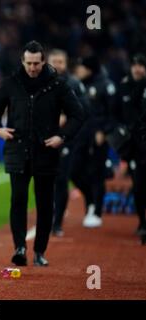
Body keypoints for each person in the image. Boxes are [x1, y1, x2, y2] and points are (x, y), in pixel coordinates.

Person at [0, 41, 84, 266]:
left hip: (46, 153)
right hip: (17, 152)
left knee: (44, 204)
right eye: (28, 63)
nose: (32, 67)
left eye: (36, 63)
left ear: (43, 62)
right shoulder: (11, 83)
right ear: (22, 61)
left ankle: (40, 251)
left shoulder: (58, 84)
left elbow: (78, 114)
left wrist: (62, 136)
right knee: (18, 201)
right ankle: (19, 247)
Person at [47, 49, 90, 237]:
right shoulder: (37, 82)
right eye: (54, 61)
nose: (57, 65)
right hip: (42, 140)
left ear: (66, 64)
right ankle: (48, 218)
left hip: (66, 140)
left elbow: (84, 110)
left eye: (60, 61)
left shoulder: (74, 83)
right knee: (43, 181)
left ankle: (56, 223)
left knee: (61, 180)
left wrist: (67, 117)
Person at [73, 56, 117, 228]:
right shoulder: (78, 85)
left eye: (81, 67)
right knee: (74, 170)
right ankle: (90, 199)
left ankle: (97, 211)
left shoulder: (106, 85)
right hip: (80, 135)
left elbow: (113, 112)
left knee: (96, 173)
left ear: (89, 69)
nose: (78, 70)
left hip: (97, 135)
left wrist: (104, 131)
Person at [115, 54, 146, 236]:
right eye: (135, 65)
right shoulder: (124, 86)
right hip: (133, 145)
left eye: (141, 65)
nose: (138, 68)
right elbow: (116, 112)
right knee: (138, 184)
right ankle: (142, 222)